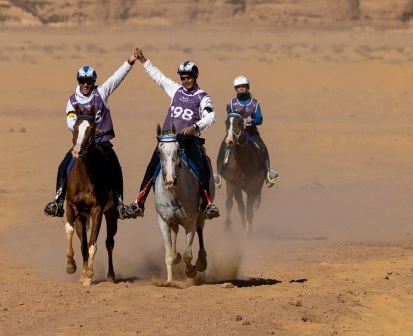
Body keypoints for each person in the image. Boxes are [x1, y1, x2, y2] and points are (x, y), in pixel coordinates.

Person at [121, 49, 219, 219]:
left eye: (188, 77)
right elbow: (159, 77)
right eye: (183, 78)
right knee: (152, 167)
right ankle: (139, 203)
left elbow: (211, 116)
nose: (185, 81)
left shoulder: (202, 97)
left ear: (195, 77)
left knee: (202, 165)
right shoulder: (176, 90)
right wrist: (144, 60)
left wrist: (195, 126)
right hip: (168, 139)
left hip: (189, 140)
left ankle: (208, 204)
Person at [43, 52, 137, 218]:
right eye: (82, 81)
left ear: (93, 82)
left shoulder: (101, 92)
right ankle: (57, 201)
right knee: (63, 166)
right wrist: (85, 129)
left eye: (89, 82)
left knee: (116, 167)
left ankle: (120, 204)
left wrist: (130, 62)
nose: (86, 85)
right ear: (78, 82)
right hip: (82, 143)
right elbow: (70, 120)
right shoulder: (72, 100)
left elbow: (117, 78)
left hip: (102, 142)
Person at [214, 75, 280, 188]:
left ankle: (268, 173)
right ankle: (219, 175)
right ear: (235, 89)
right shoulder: (231, 103)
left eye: (243, 86)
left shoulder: (255, 103)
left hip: (251, 133)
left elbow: (260, 119)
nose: (241, 89)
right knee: (222, 148)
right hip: (234, 133)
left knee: (263, 148)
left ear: (247, 87)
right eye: (238, 87)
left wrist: (251, 120)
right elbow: (228, 118)